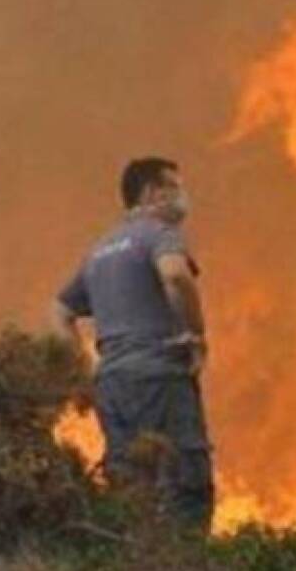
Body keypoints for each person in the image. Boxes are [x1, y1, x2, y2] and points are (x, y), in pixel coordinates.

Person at [52, 156, 214, 533]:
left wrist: (85, 366)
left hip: (113, 384)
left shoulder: (99, 251)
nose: (182, 198)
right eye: (176, 187)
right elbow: (175, 276)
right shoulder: (158, 233)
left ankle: (135, 568)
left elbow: (59, 311)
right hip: (160, 376)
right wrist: (197, 335)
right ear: (154, 193)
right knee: (184, 482)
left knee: (129, 485)